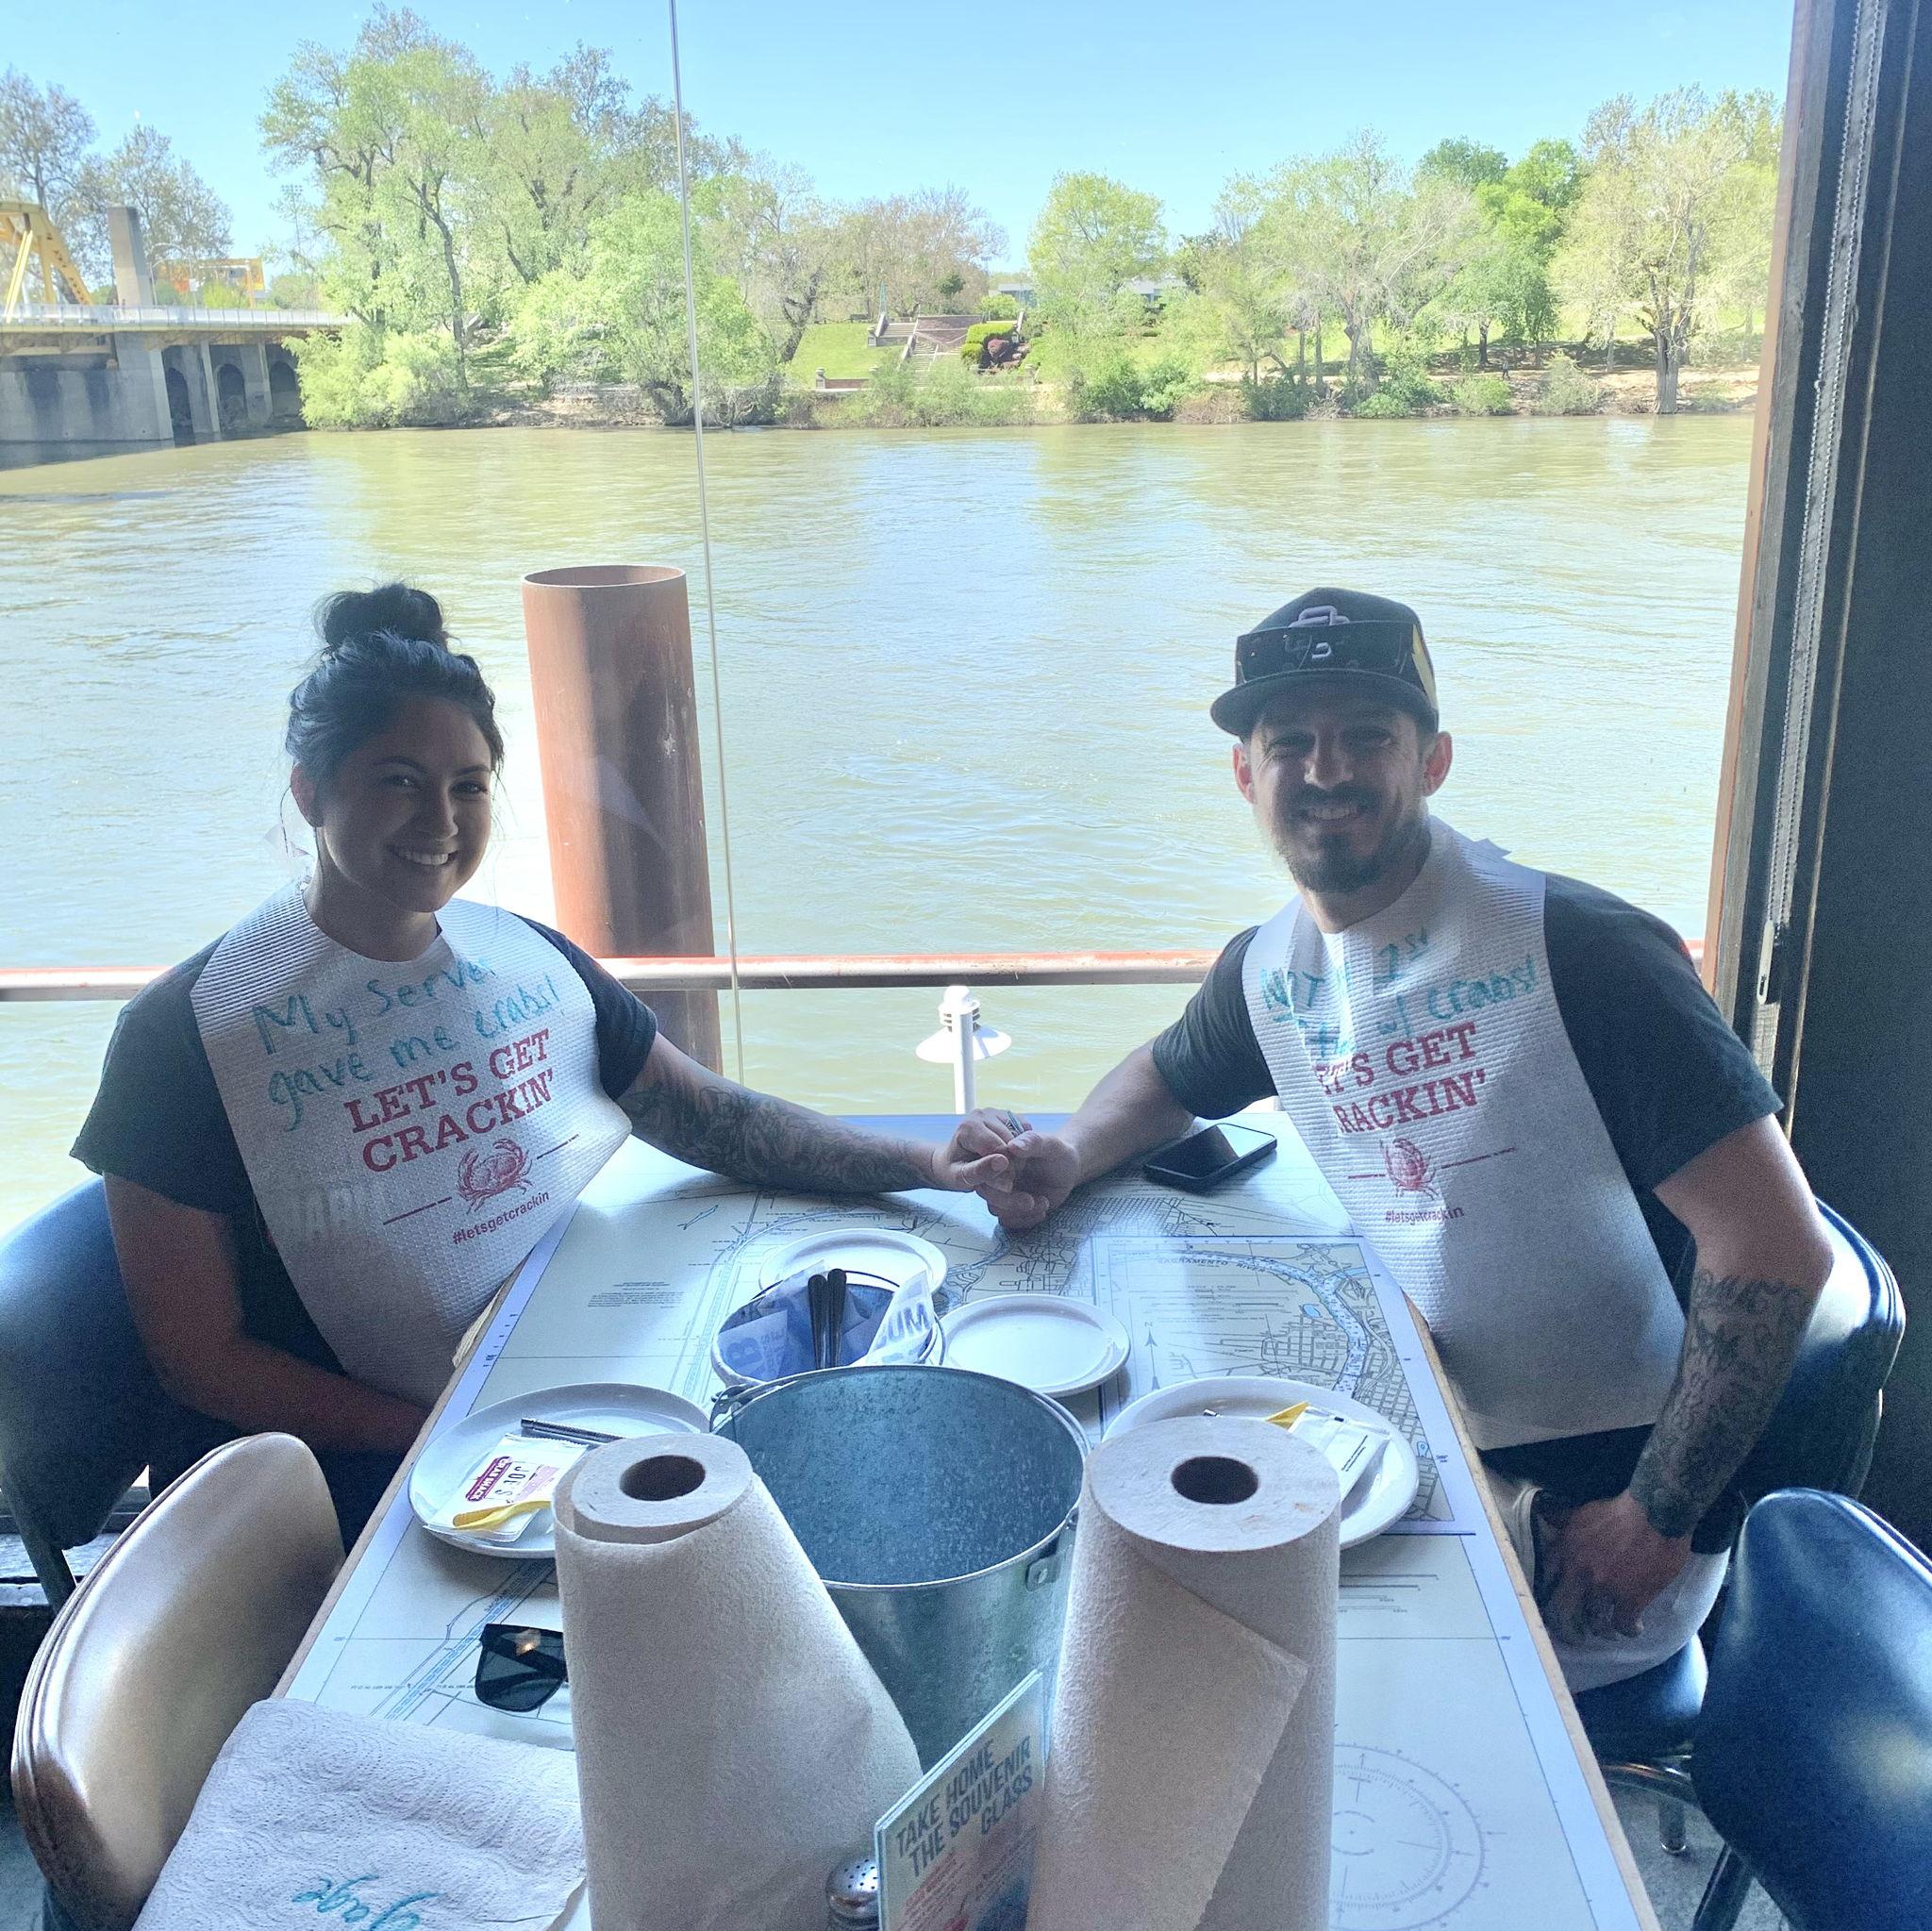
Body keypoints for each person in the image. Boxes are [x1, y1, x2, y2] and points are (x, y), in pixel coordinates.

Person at [970, 587, 1835, 1691]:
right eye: (1289, 742)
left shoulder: (1587, 952)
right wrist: (1067, 1151)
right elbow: (1164, 1074)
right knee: (1129, 1560)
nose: (1324, 769)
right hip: (1422, 1431)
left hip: (1593, 1515)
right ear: (1244, 774)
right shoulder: (1270, 970)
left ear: (1432, 761)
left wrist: (1655, 1516)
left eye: (1366, 736)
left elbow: (1774, 1246)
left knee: (1229, 1669)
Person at [74, 584, 1011, 1536]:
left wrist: (925, 1162)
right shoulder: (186, 1033)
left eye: (468, 785)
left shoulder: (527, 960)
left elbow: (708, 1117)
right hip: (324, 1478)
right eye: (399, 780)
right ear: (310, 789)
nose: (440, 820)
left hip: (540, 1394)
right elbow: (202, 1360)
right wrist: (447, 1433)